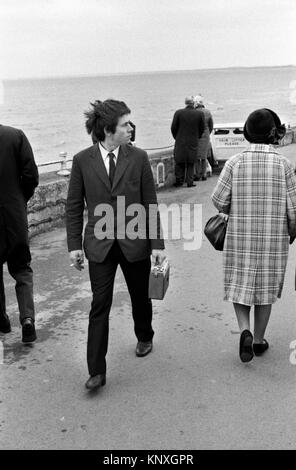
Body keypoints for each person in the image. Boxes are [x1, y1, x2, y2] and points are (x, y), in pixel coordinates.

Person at [66, 99, 166, 391]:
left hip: (135, 242)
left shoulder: (138, 157)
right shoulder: (82, 160)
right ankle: (96, 370)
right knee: (100, 304)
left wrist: (157, 243)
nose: (131, 128)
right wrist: (74, 245)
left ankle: (144, 335)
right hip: (99, 245)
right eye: (125, 124)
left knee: (139, 296)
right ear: (109, 130)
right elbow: (73, 206)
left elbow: (150, 204)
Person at [211, 108, 296, 363]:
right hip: (273, 238)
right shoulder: (284, 165)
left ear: (247, 132)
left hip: (240, 236)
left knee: (241, 284)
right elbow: (294, 208)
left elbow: (218, 200)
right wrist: (291, 232)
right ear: (274, 133)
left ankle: (244, 330)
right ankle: (258, 341)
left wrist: (230, 208)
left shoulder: (234, 163)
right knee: (265, 289)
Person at [0, 124, 39, 342]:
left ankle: (2, 320)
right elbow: (31, 175)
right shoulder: (15, 136)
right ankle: (27, 320)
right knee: (22, 268)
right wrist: (18, 199)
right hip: (14, 214)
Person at [171, 96, 205, 188]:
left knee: (179, 161)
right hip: (193, 141)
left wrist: (177, 137)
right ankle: (190, 182)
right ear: (193, 103)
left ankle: (179, 181)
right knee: (191, 162)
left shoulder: (178, 113)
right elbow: (202, 128)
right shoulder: (199, 114)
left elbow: (173, 128)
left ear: (185, 103)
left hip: (180, 141)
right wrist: (197, 137)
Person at [194, 95, 213, 181]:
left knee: (197, 157)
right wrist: (208, 133)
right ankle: (204, 174)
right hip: (205, 135)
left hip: (196, 136)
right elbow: (211, 125)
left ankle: (198, 174)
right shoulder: (208, 112)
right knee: (204, 156)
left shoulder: (194, 112)